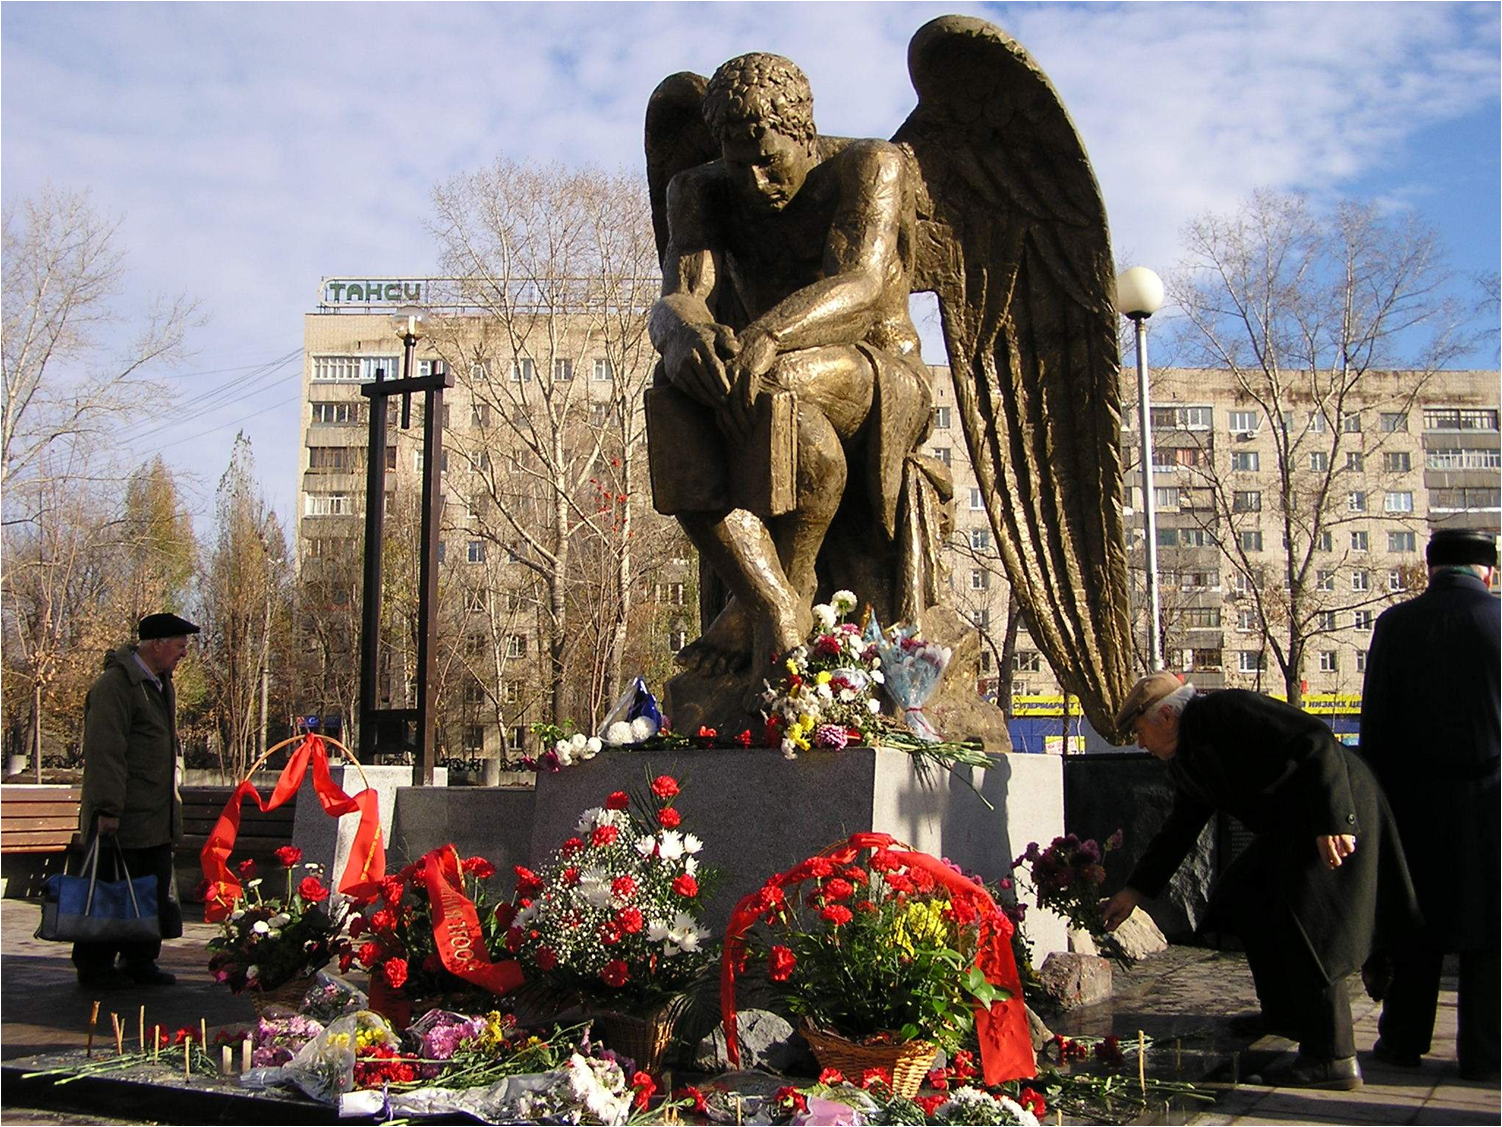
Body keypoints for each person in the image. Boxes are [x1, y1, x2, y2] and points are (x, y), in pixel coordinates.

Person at [649, 51, 934, 676]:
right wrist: (683, 337)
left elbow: (861, 287)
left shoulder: (870, 166)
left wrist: (770, 334)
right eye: (739, 166)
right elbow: (680, 294)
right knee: (674, 394)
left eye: (770, 161)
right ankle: (771, 601)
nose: (755, 183)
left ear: (804, 133)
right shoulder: (697, 190)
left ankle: (794, 579)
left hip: (877, 369)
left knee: (773, 382)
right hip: (770, 372)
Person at [1102, 672, 1420, 1091]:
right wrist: (1134, 891)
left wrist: (1333, 820)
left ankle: (1332, 1057)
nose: (1140, 743)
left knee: (1308, 920)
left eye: (1139, 731)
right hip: (1293, 825)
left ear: (1165, 716)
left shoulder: (1225, 710)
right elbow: (1180, 827)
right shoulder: (1188, 757)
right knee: (1246, 896)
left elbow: (1315, 738)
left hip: (1332, 807)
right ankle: (1287, 1015)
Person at [1359, 527, 1500, 1082]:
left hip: (1413, 804)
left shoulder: (1396, 625)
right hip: (1491, 804)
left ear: (1431, 568)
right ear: (1488, 572)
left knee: (1415, 924)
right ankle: (1485, 1052)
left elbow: (1376, 727)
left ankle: (1402, 1040)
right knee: (1490, 933)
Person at [73, 612, 197, 989]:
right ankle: (95, 966)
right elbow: (106, 751)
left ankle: (139, 960)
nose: (184, 653)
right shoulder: (116, 685)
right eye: (179, 645)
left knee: (148, 888)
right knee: (109, 889)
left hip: (154, 815)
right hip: (123, 815)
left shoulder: (159, 684)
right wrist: (108, 808)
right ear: (156, 645)